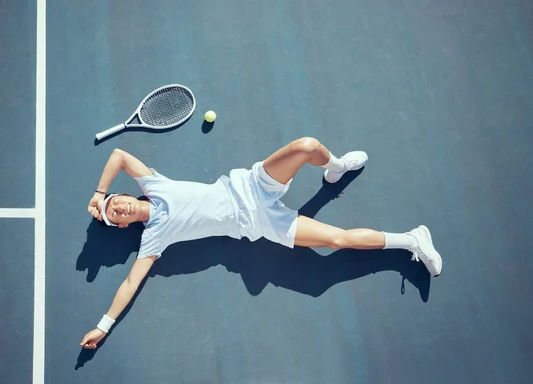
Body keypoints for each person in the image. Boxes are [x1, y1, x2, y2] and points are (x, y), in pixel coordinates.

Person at [80, 137, 442, 350]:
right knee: (336, 239)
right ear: (125, 224)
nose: (120, 208)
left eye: (117, 202)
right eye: (117, 215)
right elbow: (131, 282)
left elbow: (119, 156)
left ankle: (335, 168)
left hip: (250, 186)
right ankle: (412, 239)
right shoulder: (154, 237)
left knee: (308, 145)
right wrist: (104, 325)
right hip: (256, 222)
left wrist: (99, 193)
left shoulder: (153, 184)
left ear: (125, 194)